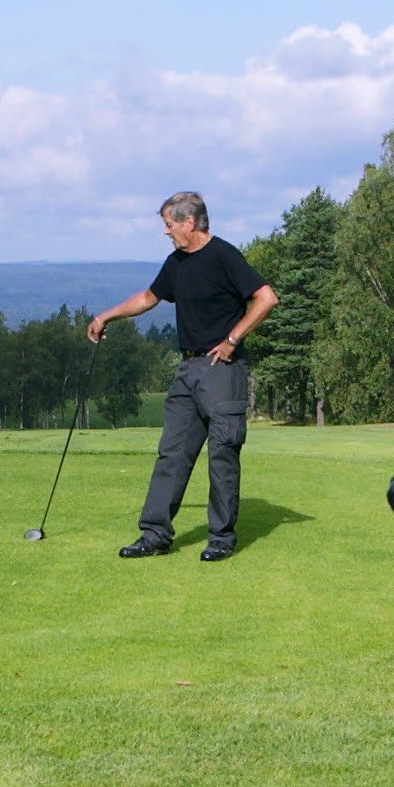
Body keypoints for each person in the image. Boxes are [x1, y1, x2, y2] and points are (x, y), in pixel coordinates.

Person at [89, 194, 277, 562]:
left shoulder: (224, 256)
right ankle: (155, 534)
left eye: (169, 223)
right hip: (188, 370)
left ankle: (221, 538)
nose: (166, 231)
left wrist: (232, 340)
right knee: (172, 453)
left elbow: (266, 298)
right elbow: (148, 297)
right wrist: (105, 316)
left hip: (222, 369)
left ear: (189, 222)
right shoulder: (176, 263)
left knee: (222, 454)